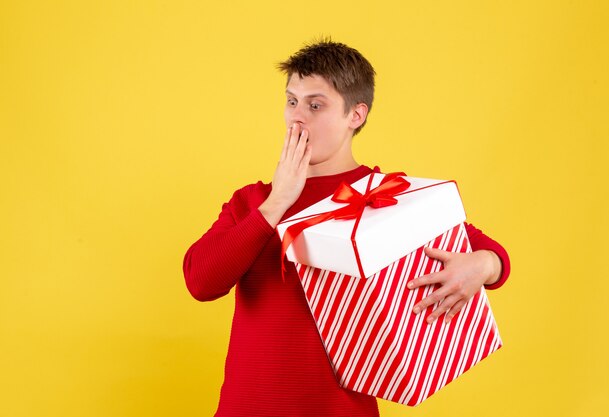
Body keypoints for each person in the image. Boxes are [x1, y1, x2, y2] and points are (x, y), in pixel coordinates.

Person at [183, 39, 511, 417]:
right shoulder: (252, 201)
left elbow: (489, 254)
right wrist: (277, 204)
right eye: (291, 101)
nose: (296, 117)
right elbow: (200, 282)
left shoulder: (387, 196)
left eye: (315, 105)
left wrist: (484, 265)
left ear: (356, 115)